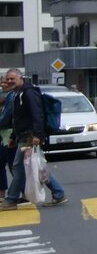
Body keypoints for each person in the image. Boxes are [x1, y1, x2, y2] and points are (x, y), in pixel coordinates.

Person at [0, 69, 67, 208]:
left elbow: (38, 115)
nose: (10, 81)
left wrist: (37, 135)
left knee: (19, 167)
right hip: (23, 136)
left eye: (13, 78)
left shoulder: (29, 93)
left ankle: (11, 199)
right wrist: (13, 136)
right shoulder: (18, 94)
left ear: (21, 78)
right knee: (38, 166)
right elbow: (17, 119)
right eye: (8, 79)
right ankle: (58, 193)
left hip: (30, 137)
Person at [0, 72, 17, 193]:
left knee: (14, 166)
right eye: (3, 81)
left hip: (10, 134)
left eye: (7, 81)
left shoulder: (11, 96)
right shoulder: (7, 96)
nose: (4, 84)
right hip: (6, 135)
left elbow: (6, 118)